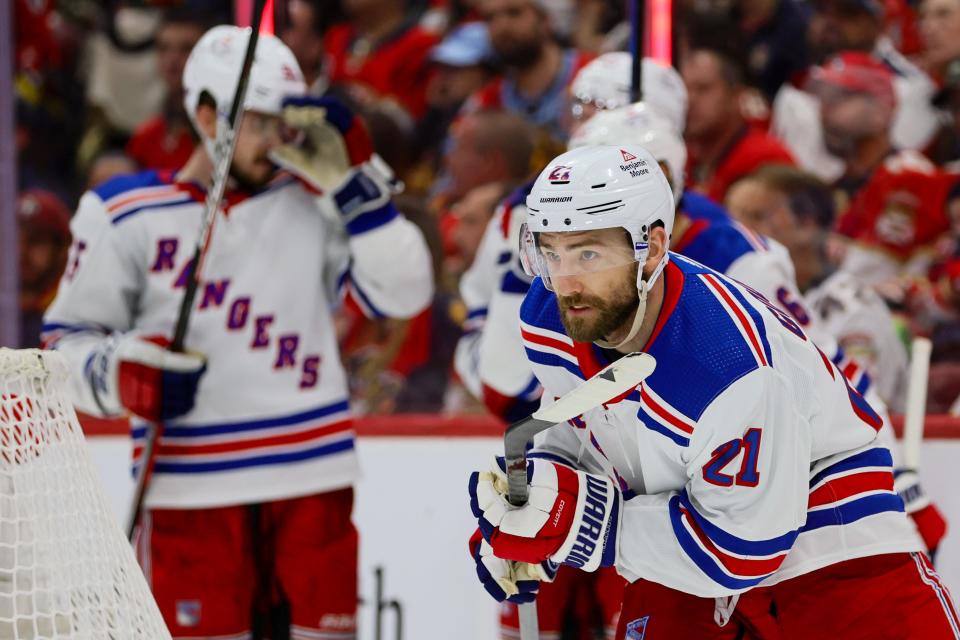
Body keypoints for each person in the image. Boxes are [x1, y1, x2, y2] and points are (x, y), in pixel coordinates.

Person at [468, 144, 959, 638]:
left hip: (834, 557)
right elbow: (578, 421)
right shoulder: (549, 312)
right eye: (551, 252)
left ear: (654, 248)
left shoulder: (725, 360)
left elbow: (744, 550)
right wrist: (534, 505)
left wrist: (584, 523)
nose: (566, 281)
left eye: (590, 252)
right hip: (681, 554)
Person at [42, 26, 432, 639]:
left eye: (283, 122)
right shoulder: (123, 213)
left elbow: (406, 292)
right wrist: (121, 372)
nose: (273, 140)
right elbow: (61, 348)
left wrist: (357, 187)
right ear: (203, 114)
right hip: (188, 493)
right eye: (254, 121)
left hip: (314, 480)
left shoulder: (319, 202)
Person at [726, 166, 949, 557]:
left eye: (758, 218)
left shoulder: (851, 310)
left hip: (865, 495)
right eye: (734, 218)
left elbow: (857, 414)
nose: (739, 232)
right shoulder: (759, 294)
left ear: (808, 225)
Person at [464, 0, 595, 141]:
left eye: (514, 13)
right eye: (489, 18)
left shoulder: (594, 72)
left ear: (545, 21)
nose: (501, 26)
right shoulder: (486, 104)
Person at [682, 44, 795, 203]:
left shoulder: (766, 159)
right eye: (683, 89)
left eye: (703, 89)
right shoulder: (680, 156)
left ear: (736, 96)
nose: (689, 100)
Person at [125, 8, 207, 172]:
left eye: (186, 48)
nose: (173, 58)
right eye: (163, 48)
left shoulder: (219, 135)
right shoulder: (144, 138)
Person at [17, 189, 71, 348]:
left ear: (62, 249)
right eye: (13, 239)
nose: (21, 251)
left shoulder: (73, 313)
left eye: (36, 240)